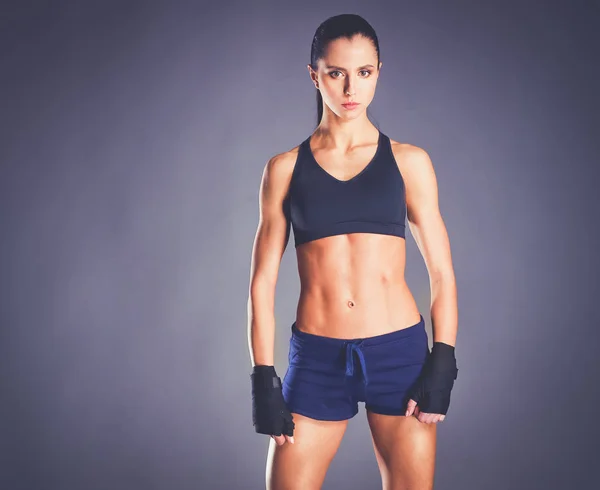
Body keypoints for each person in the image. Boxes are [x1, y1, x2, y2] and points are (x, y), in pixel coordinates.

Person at [247, 13, 459, 490]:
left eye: (363, 72)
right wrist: (264, 378)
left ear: (378, 71)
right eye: (336, 72)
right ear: (314, 75)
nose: (350, 88)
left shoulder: (408, 162)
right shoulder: (283, 169)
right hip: (318, 358)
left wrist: (443, 359)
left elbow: (442, 273)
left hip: (398, 355)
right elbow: (262, 282)